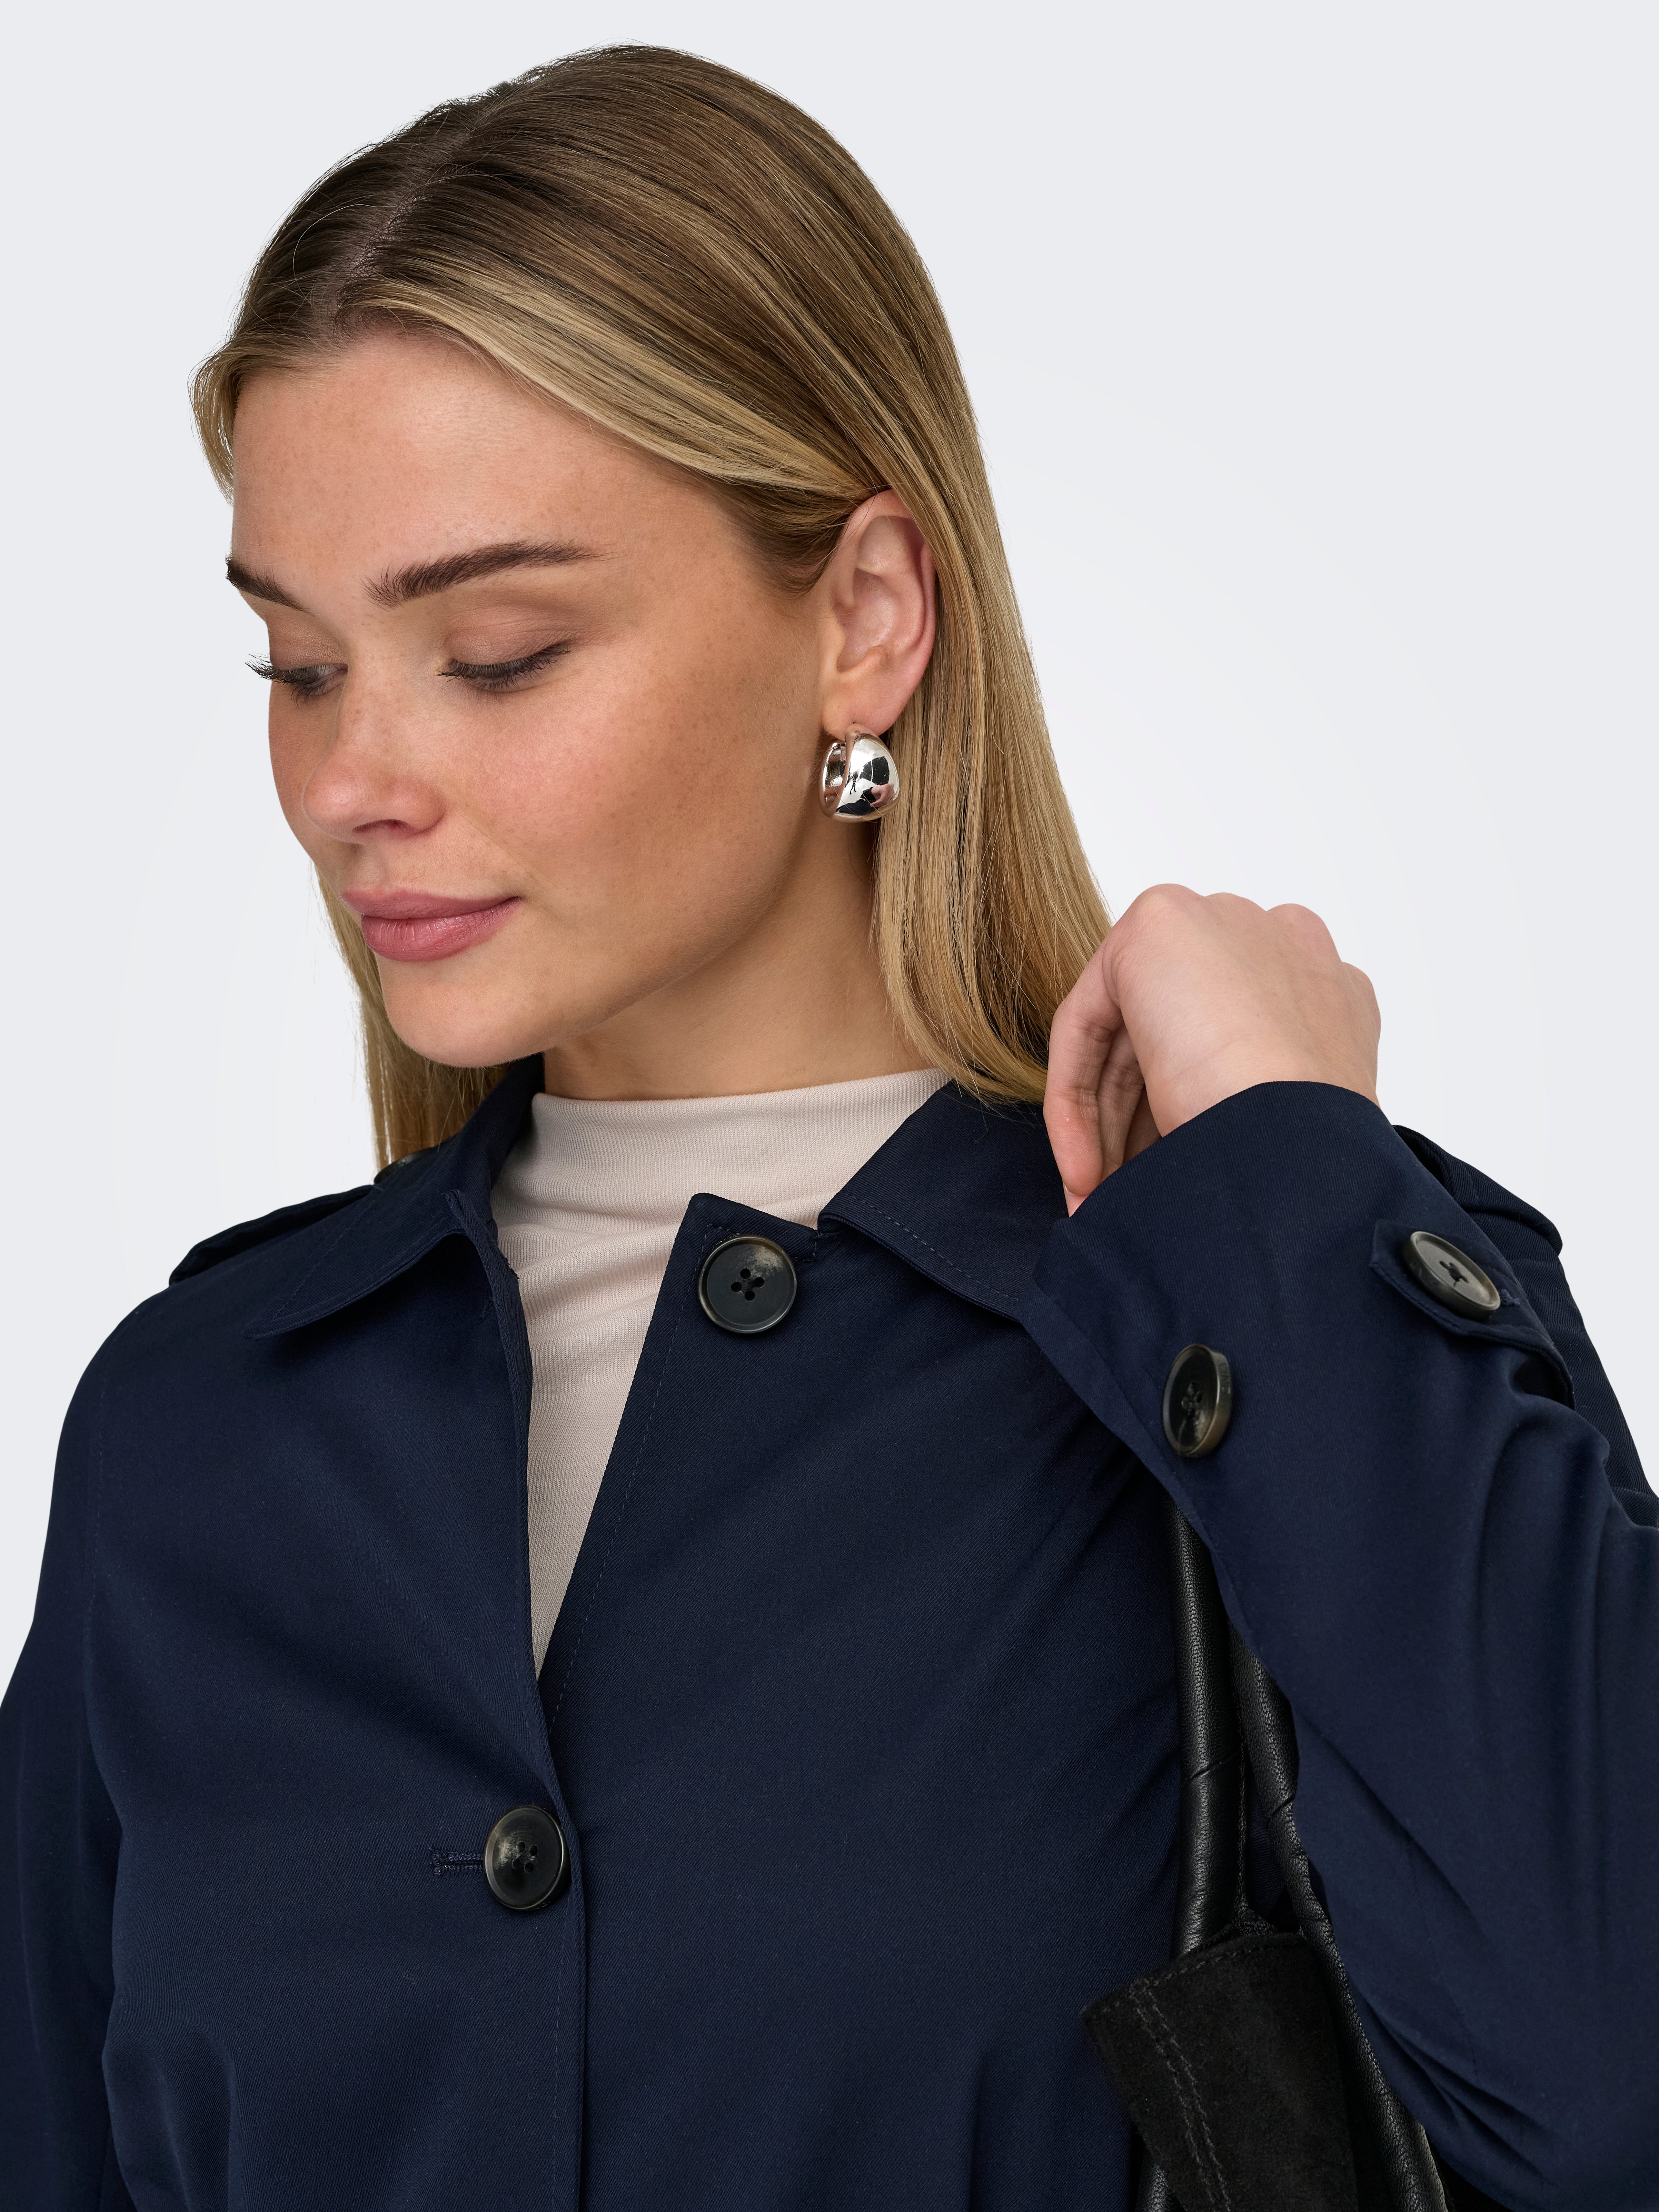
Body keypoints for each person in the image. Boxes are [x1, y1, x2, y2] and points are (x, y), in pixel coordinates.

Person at [2, 44, 1653, 2212]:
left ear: (865, 621)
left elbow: (1613, 2091)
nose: (348, 786)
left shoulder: (1259, 1327)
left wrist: (1278, 1165)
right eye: (298, 669)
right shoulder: (203, 1424)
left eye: (495, 653)